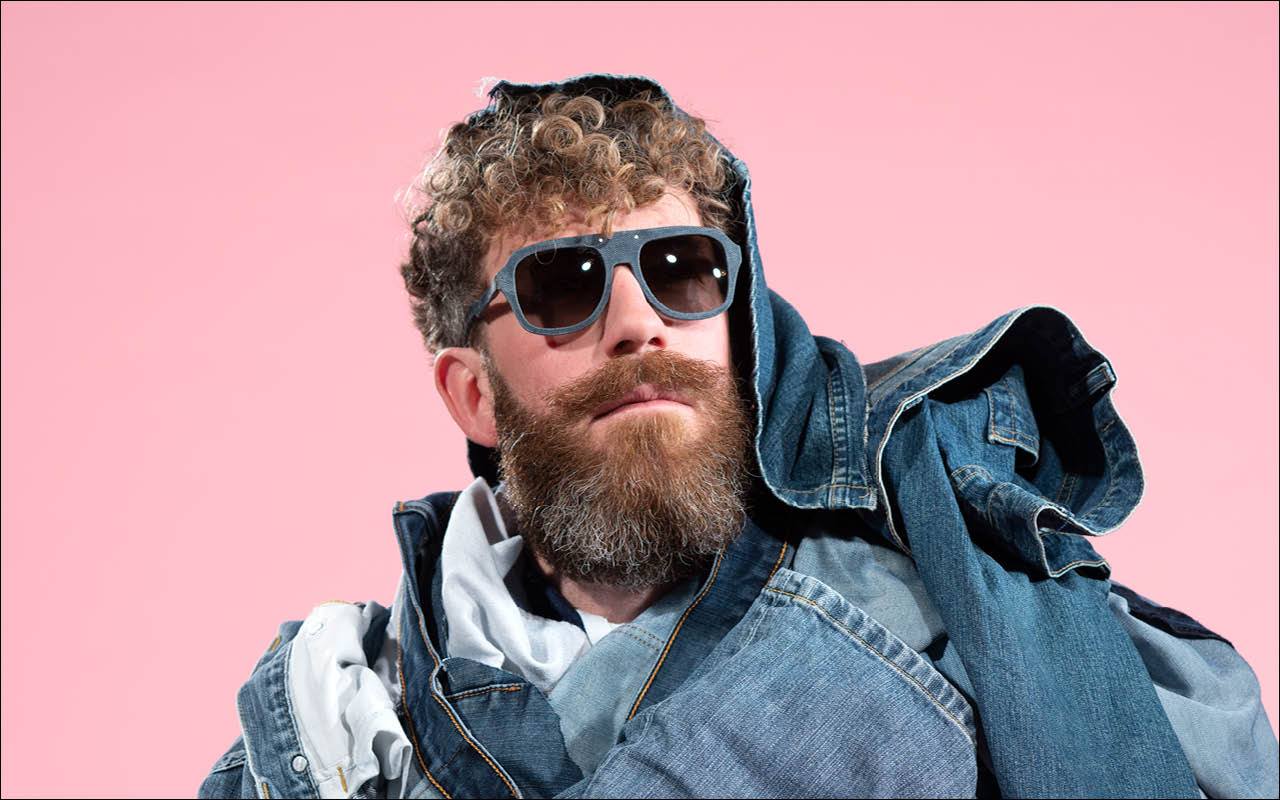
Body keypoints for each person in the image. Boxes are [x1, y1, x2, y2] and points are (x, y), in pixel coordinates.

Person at [199, 73, 1277, 799]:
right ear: (473, 394)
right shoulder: (336, 723)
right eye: (562, 286)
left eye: (682, 271)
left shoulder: (946, 600)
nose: (637, 323)